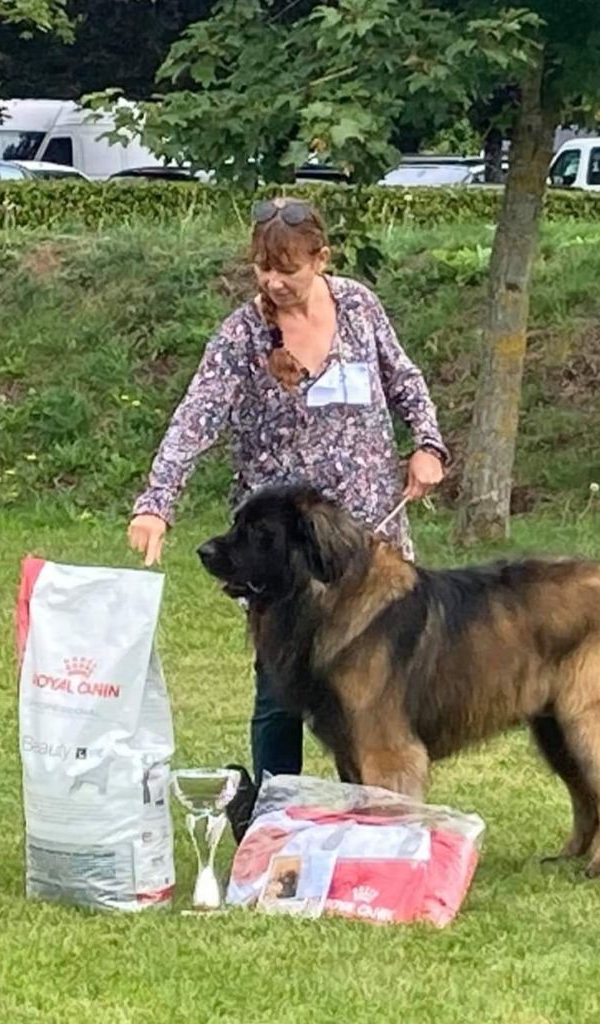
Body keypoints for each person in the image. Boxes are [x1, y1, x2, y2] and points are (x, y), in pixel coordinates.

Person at [128, 197, 448, 783]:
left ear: (321, 259)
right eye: (262, 268)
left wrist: (429, 444)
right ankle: (277, 821)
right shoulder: (241, 336)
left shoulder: (359, 307)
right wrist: (157, 504)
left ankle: (373, 814)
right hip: (280, 549)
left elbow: (404, 379)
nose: (273, 282)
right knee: (281, 691)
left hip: (367, 540)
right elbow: (194, 418)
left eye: (288, 269)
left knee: (374, 689)